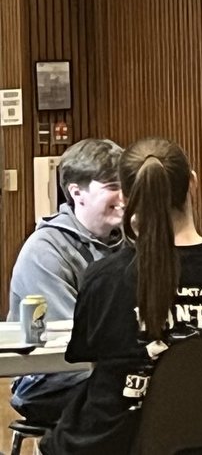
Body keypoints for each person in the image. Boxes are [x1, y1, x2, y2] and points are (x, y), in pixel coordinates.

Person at [41, 138, 202, 455]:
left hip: (115, 444)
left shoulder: (104, 280)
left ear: (128, 194)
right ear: (192, 183)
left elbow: (94, 366)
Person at [7, 138, 124, 424]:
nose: (124, 197)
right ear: (76, 193)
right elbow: (69, 345)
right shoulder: (45, 251)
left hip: (109, 370)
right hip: (47, 380)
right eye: (112, 187)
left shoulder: (131, 241)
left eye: (127, 185)